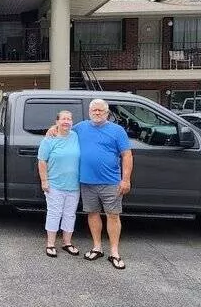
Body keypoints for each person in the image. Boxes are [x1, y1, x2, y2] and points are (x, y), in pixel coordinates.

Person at [48, 98, 133, 270]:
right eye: (94, 110)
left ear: (107, 113)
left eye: (101, 110)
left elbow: (127, 155)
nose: (97, 112)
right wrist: (53, 128)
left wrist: (125, 179)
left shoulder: (117, 131)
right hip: (87, 182)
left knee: (113, 215)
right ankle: (97, 247)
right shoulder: (81, 127)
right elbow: (64, 129)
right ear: (89, 112)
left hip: (111, 181)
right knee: (93, 214)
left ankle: (114, 252)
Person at [37, 110, 80, 258]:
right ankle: (50, 244)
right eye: (63, 119)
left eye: (69, 119)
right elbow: (42, 161)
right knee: (54, 214)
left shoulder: (75, 136)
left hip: (74, 185)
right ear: (57, 122)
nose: (66, 121)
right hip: (54, 185)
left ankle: (67, 243)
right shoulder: (49, 139)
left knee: (70, 215)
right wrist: (44, 181)